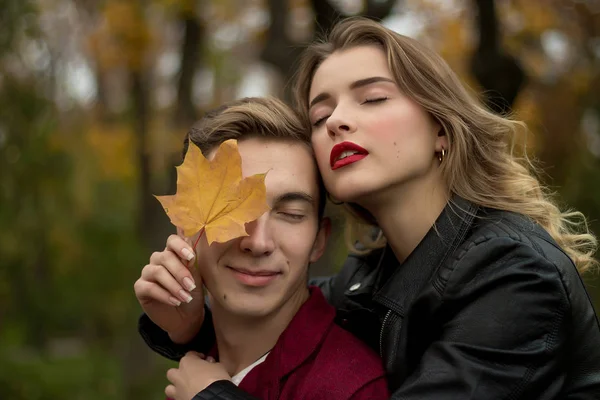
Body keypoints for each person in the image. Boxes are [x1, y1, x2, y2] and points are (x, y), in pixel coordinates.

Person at [137, 17, 600, 399]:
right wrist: (186, 325)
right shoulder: (372, 275)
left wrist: (213, 396)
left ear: (441, 127)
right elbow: (274, 302)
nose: (338, 120)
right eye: (320, 117)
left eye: (373, 98)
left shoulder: (515, 275)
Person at [134, 97, 389, 400]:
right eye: (231, 210)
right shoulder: (196, 374)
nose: (258, 242)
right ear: (185, 227)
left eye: (290, 214)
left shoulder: (351, 388)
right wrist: (186, 330)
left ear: (318, 241)